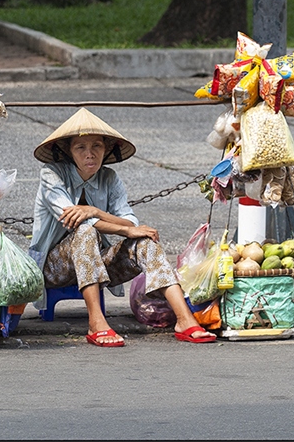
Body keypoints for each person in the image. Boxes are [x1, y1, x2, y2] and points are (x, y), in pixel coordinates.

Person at [29, 108, 218, 347]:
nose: (90, 154)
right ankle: (96, 323)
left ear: (106, 149)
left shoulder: (109, 178)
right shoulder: (51, 174)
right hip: (53, 267)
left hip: (97, 263)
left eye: (97, 146)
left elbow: (131, 221)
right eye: (80, 148)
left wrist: (96, 211)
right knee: (85, 231)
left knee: (145, 242)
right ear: (68, 151)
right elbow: (80, 221)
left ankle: (184, 319)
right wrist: (124, 230)